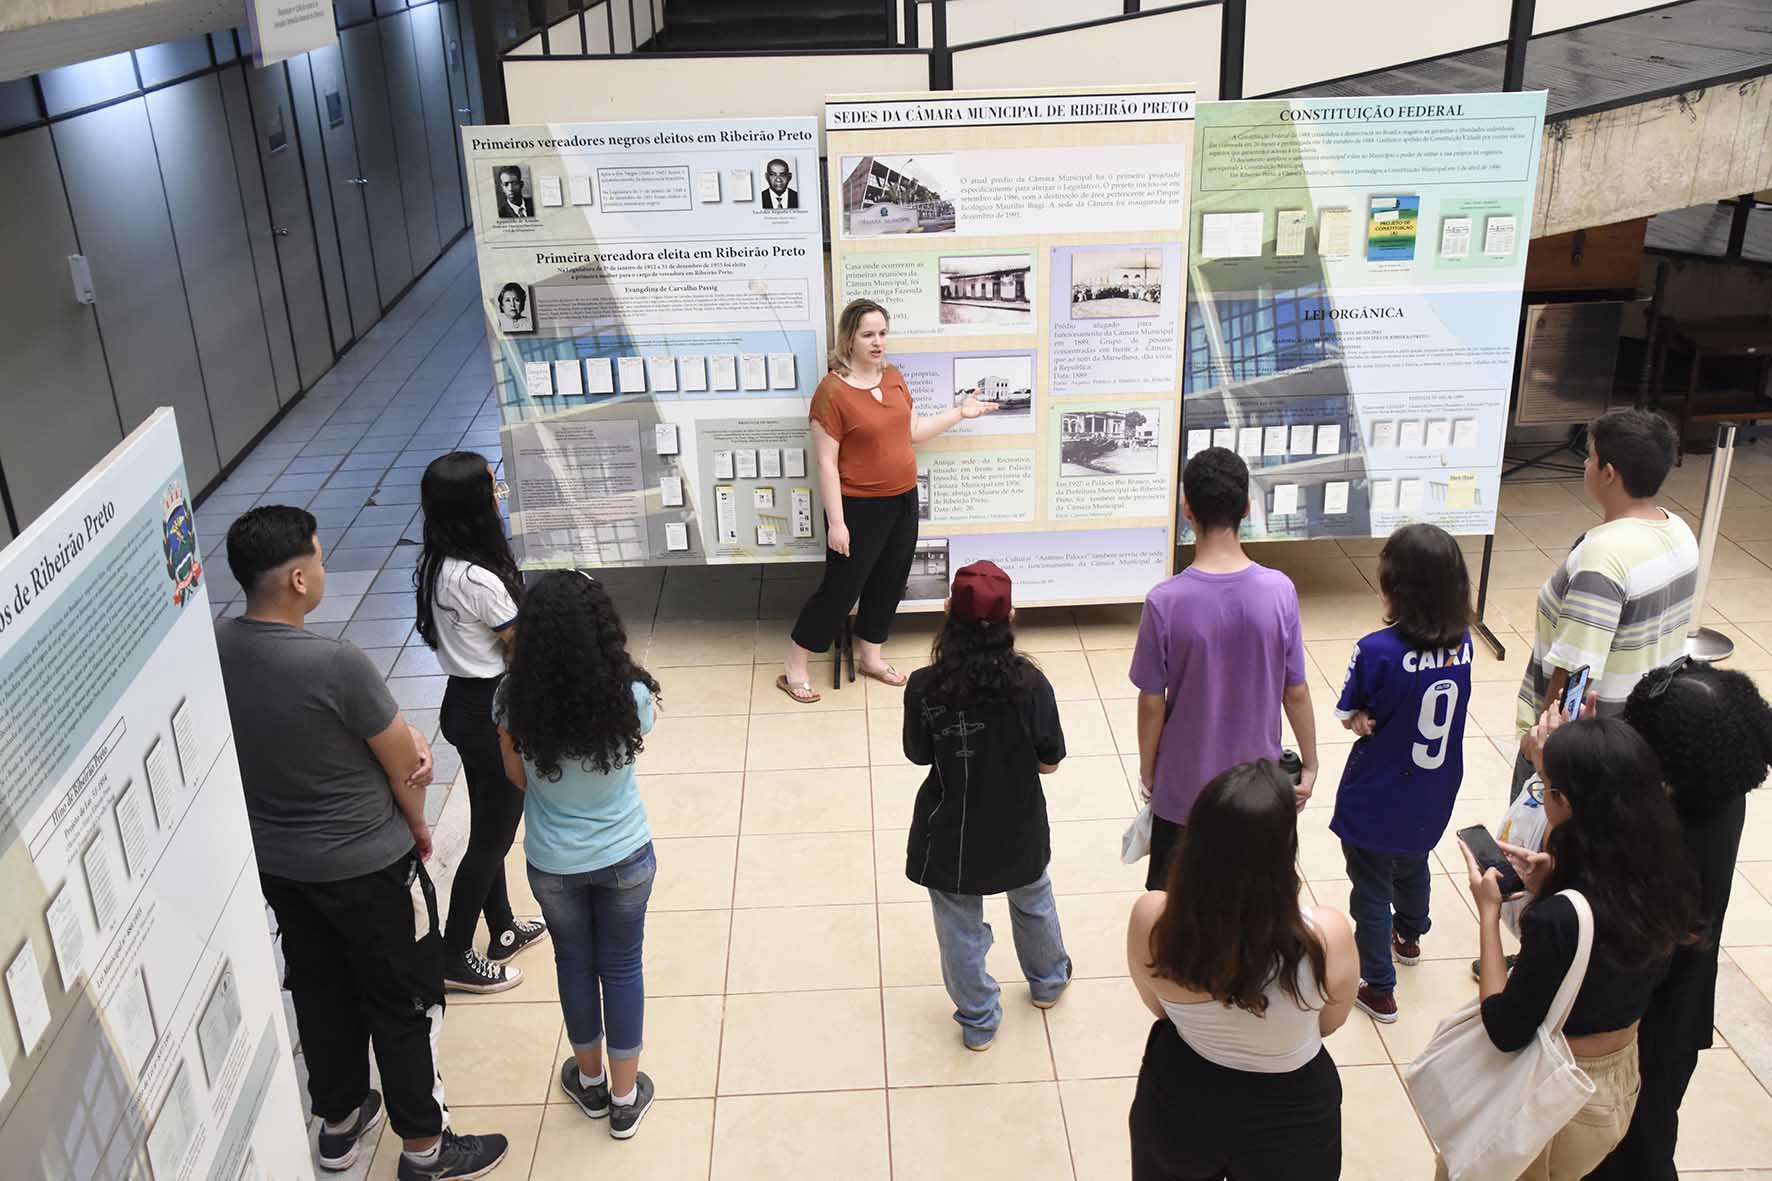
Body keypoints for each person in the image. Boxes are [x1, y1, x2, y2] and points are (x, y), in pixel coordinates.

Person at [216, 506, 508, 1181]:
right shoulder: (336, 663)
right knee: (404, 1000)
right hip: (369, 867)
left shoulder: (219, 647)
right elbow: (405, 763)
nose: (322, 568)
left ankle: (339, 1129)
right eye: (316, 559)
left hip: (283, 869)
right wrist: (419, 821)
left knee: (319, 989)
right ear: (295, 577)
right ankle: (427, 1149)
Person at [1457, 716, 1697, 1181]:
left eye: (1545, 786)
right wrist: (1553, 880)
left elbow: (1504, 1027)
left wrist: (1488, 915)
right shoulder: (1665, 873)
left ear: (1563, 801)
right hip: (1620, 1074)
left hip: (1557, 1090)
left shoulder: (1557, 921)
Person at [1126, 760, 1358, 1181]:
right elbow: (1327, 1024)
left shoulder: (1153, 919)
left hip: (1182, 1094)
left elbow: (1159, 1008)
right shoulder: (1327, 936)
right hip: (1292, 1112)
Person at [494, 570, 661, 1140]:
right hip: (626, 856)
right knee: (621, 966)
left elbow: (515, 777)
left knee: (574, 964)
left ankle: (588, 1084)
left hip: (554, 864)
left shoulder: (513, 701)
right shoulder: (631, 694)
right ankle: (623, 1096)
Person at [1588, 660, 1770, 1179]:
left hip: (1640, 1018)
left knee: (1634, 1149)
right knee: (1652, 1125)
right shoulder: (1719, 790)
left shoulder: (1663, 840)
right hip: (1682, 1008)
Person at [779, 298, 997, 703]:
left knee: (889, 582)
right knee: (840, 592)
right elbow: (826, 465)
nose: (877, 342)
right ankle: (795, 665)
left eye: (882, 333)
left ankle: (871, 657)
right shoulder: (831, 392)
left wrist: (960, 413)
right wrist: (837, 523)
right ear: (849, 339)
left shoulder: (893, 377)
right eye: (868, 335)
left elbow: (912, 431)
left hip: (903, 500)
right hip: (858, 508)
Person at [1128, 446, 1318, 890]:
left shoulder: (1164, 601)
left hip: (1183, 790)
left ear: (1186, 510)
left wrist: (1149, 767)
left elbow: (1151, 702)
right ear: (1247, 507)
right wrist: (1309, 763)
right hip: (1258, 792)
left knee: (1178, 905)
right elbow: (1296, 691)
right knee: (1255, 904)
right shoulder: (1280, 591)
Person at [902, 560, 1071, 1051]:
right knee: (1033, 900)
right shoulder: (1032, 685)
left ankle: (978, 1021)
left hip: (951, 830)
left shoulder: (923, 686)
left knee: (959, 925)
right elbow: (1050, 763)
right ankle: (1048, 983)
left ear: (949, 613)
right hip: (1018, 824)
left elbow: (918, 755)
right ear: (1011, 616)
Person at [1511, 408, 1697, 795]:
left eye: (1591, 456)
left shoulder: (1604, 556)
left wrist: (1542, 744)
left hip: (1585, 751)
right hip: (1638, 736)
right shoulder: (1679, 530)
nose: (1584, 463)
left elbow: (1575, 671)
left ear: (1609, 473)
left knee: (1535, 850)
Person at [1331, 524, 1474, 1024]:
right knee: (1414, 860)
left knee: (1370, 884)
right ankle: (1410, 934)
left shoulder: (1376, 650)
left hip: (1379, 790)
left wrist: (1362, 718)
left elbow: (1353, 713)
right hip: (1433, 787)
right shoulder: (1466, 645)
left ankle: (1378, 985)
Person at [416, 453, 546, 995]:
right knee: (494, 837)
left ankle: (504, 928)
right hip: (491, 709)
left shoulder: (439, 563)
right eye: (493, 486)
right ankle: (454, 954)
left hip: (463, 705)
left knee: (488, 825)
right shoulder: (477, 578)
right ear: (476, 503)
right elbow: (521, 647)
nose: (500, 492)